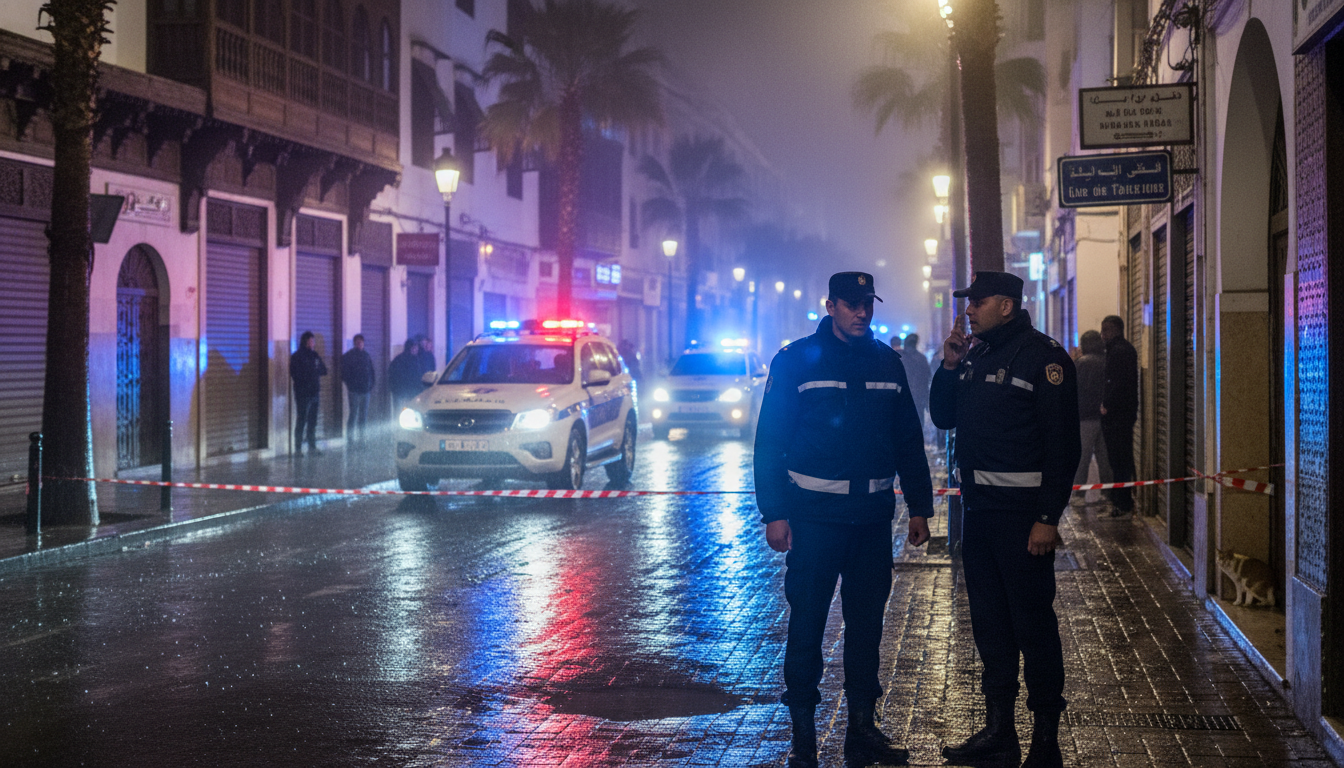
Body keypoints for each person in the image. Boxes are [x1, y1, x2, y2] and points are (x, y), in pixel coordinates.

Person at [754, 271, 934, 768]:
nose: (861, 312)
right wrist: (774, 513)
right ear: (830, 305)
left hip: (872, 518)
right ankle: (804, 736)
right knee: (808, 624)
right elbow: (769, 440)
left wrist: (919, 505)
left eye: (867, 304)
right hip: (814, 518)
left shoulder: (886, 362)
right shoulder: (794, 362)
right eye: (851, 304)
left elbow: (906, 438)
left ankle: (862, 728)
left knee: (866, 628)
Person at [929, 271, 1080, 768]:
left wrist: (1047, 517)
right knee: (991, 629)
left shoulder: (1044, 358)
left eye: (978, 301)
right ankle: (1000, 731)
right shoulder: (975, 354)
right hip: (981, 518)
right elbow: (944, 417)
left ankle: (1044, 741)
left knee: (1033, 628)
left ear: (1007, 306)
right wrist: (949, 367)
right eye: (968, 302)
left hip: (1023, 523)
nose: (968, 310)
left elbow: (1064, 448)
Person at [1100, 315, 1138, 516]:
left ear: (1115, 330)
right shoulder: (1122, 350)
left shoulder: (1119, 351)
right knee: (1120, 460)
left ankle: (1122, 504)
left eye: (1105, 330)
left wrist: (1106, 404)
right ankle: (1121, 501)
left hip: (1118, 416)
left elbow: (1116, 383)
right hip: (1123, 414)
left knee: (1119, 460)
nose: (1102, 335)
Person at [1072, 330, 1111, 506]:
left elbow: (1074, 389)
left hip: (1085, 417)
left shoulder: (1081, 363)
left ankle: (1078, 495)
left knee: (1082, 457)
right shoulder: (1107, 361)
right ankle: (1107, 494)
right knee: (1105, 458)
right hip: (1105, 416)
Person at [290, 331, 328, 456]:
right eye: (311, 341)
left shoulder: (315, 355)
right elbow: (295, 374)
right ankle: (298, 449)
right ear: (305, 341)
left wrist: (315, 370)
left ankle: (312, 447)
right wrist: (310, 373)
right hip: (303, 394)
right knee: (302, 420)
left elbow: (323, 370)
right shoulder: (297, 356)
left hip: (314, 393)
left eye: (314, 341)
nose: (313, 343)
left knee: (313, 421)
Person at [341, 334, 376, 445]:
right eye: (358, 342)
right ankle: (350, 439)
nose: (360, 344)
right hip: (354, 391)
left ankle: (362, 439)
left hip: (366, 390)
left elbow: (371, 371)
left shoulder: (366, 355)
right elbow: (344, 373)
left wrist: (371, 385)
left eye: (361, 342)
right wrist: (350, 385)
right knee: (353, 414)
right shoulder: (349, 356)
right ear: (354, 343)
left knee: (363, 416)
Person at [898, 334, 932, 444]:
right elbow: (926, 379)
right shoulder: (921, 358)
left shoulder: (899, 357)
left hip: (903, 399)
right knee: (917, 427)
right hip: (916, 399)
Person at [388, 339, 424, 415]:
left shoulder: (417, 360)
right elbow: (393, 375)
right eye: (414, 348)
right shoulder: (399, 360)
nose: (416, 350)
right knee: (399, 413)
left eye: (416, 348)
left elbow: (418, 376)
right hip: (400, 392)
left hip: (412, 393)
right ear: (409, 348)